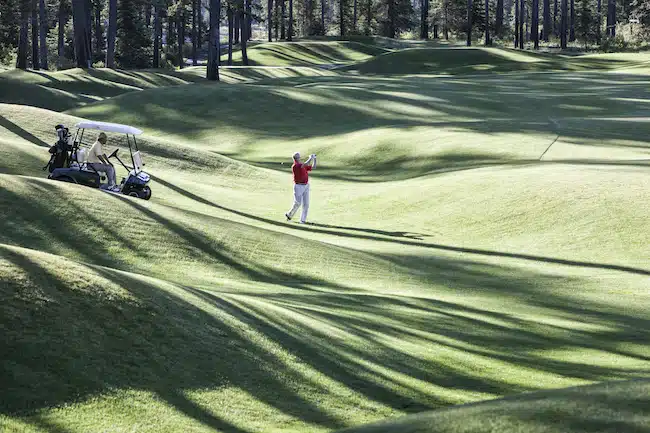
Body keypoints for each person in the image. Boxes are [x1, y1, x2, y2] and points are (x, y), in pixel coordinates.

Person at [285, 151, 316, 224]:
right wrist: (310, 158)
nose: (300, 158)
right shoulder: (295, 166)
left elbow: (313, 167)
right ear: (296, 158)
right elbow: (305, 164)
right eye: (299, 157)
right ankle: (289, 214)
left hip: (306, 186)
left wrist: (314, 158)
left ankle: (302, 220)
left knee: (306, 204)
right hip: (298, 186)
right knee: (298, 203)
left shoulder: (302, 165)